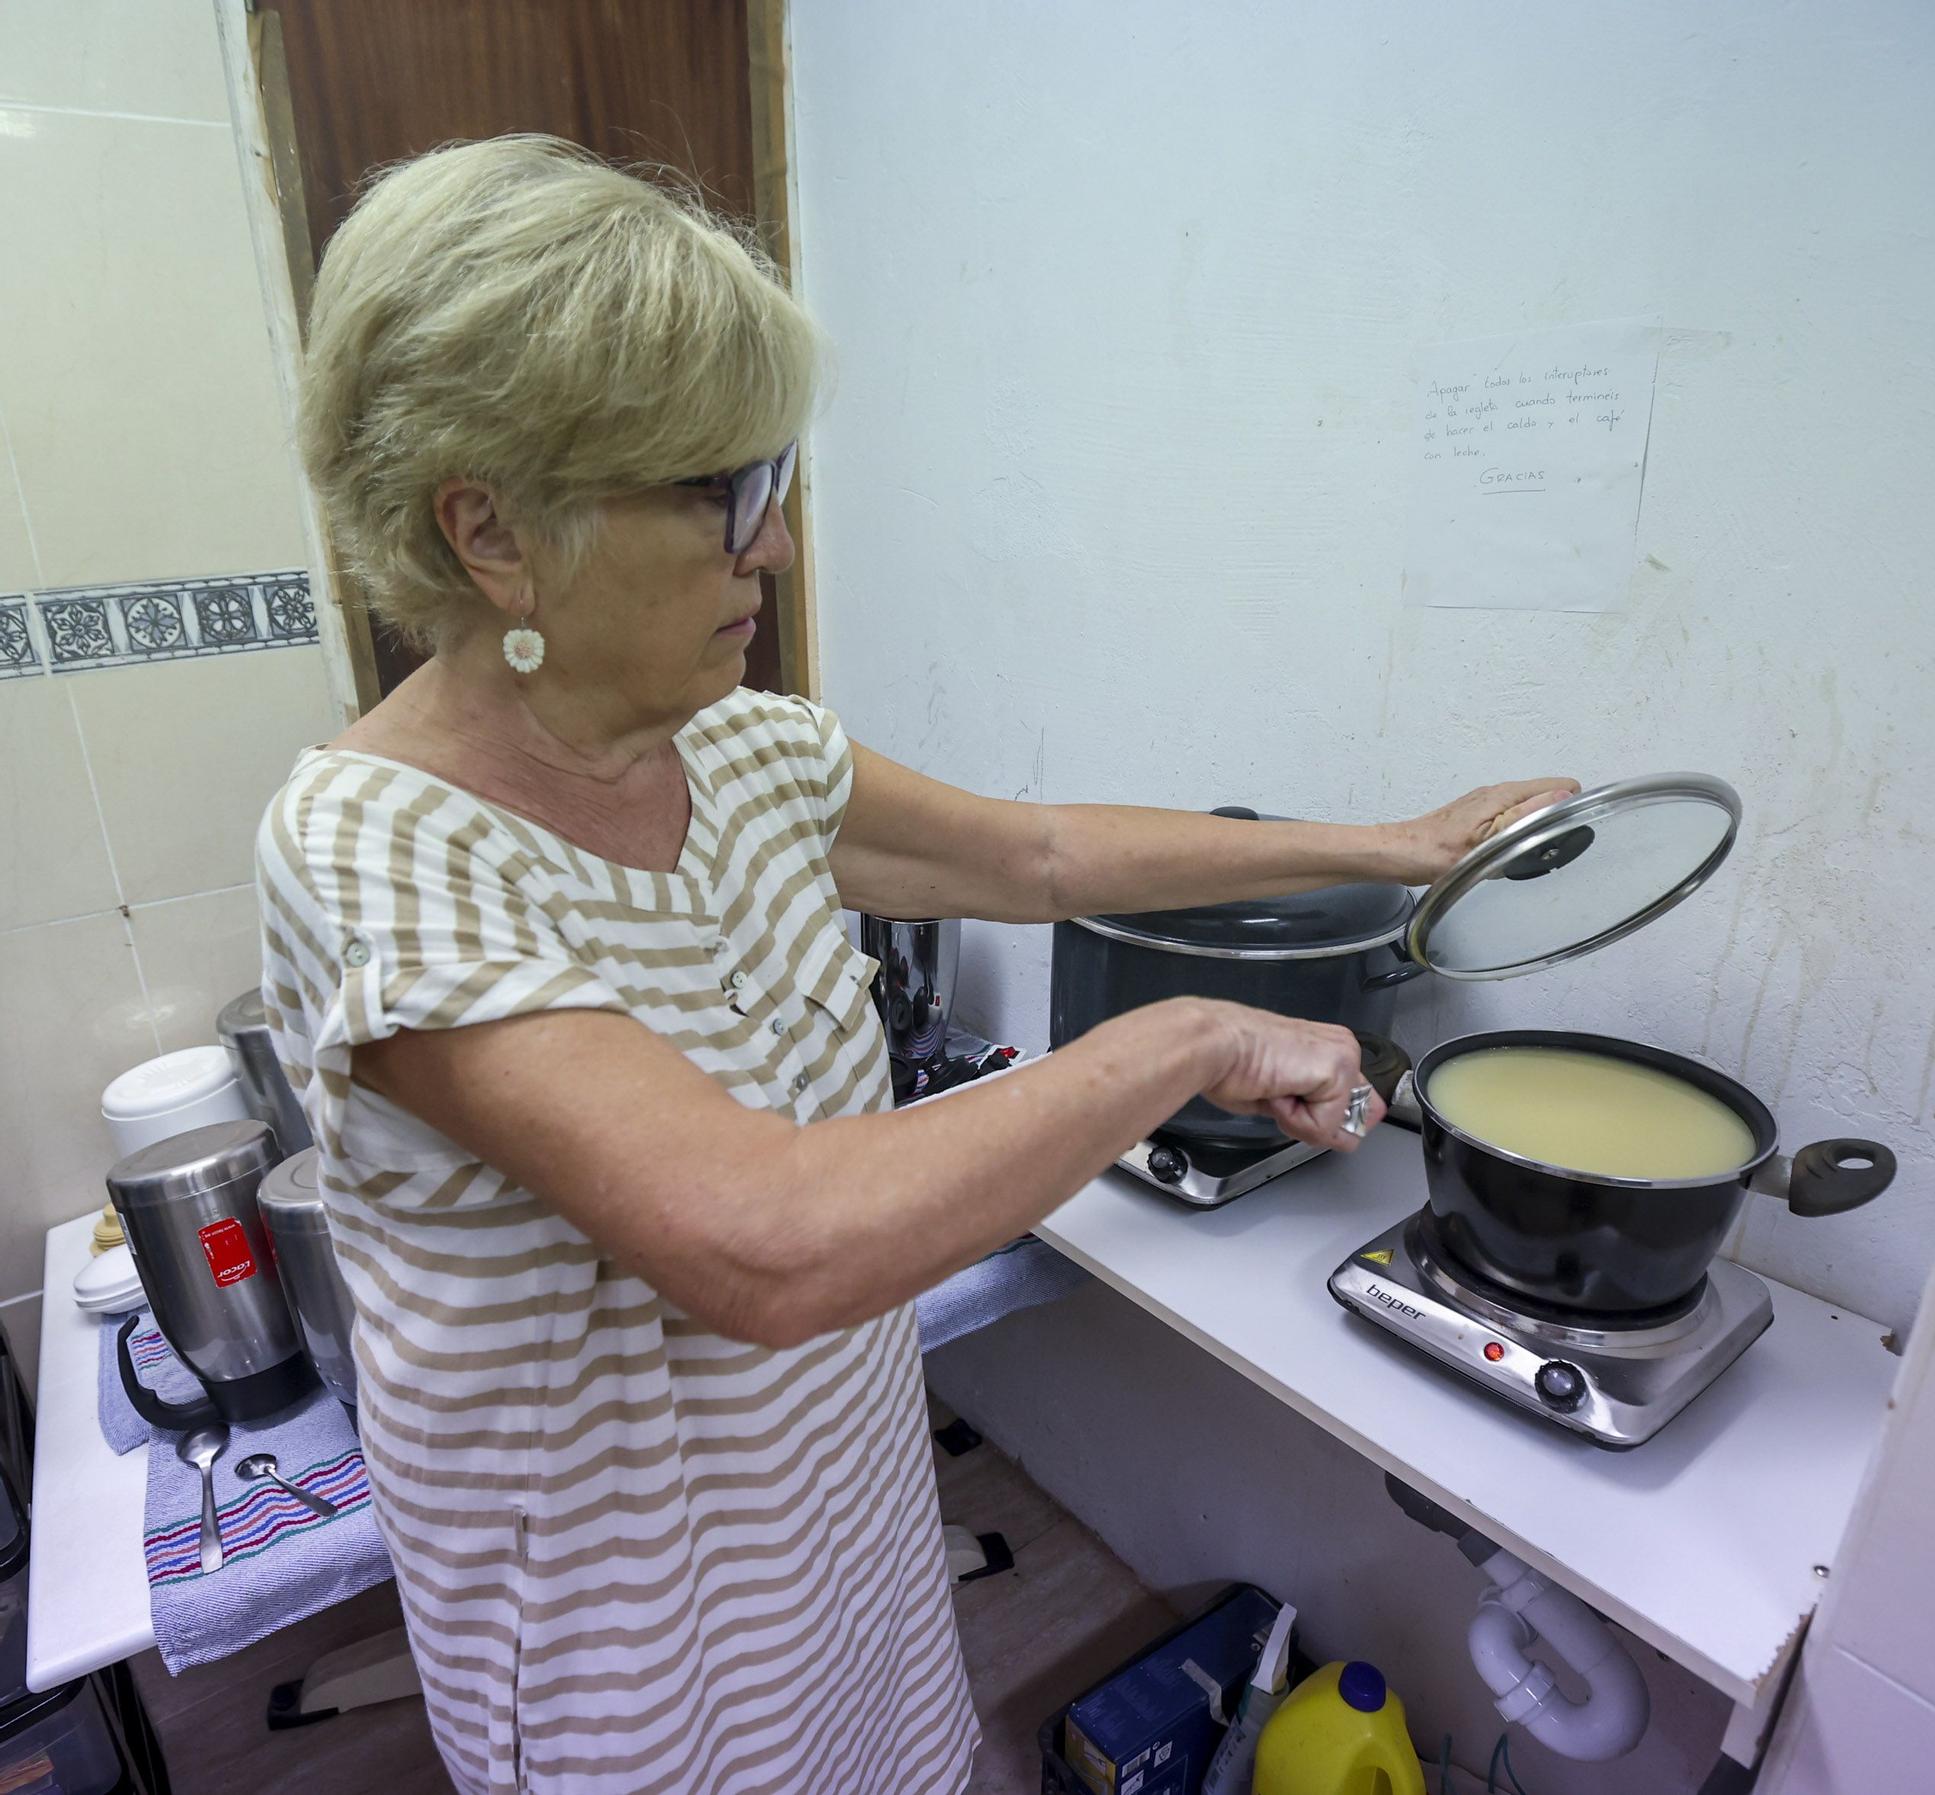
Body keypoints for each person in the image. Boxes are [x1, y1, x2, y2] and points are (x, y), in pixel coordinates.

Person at [256, 135, 1574, 1795]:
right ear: (492, 532)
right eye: (725, 496)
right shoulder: (379, 849)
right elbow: (770, 1244)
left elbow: (1037, 854)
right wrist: (1179, 1042)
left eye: (778, 479)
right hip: (625, 1642)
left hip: (844, 1535)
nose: (780, 548)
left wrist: (1385, 846)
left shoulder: (738, 749)